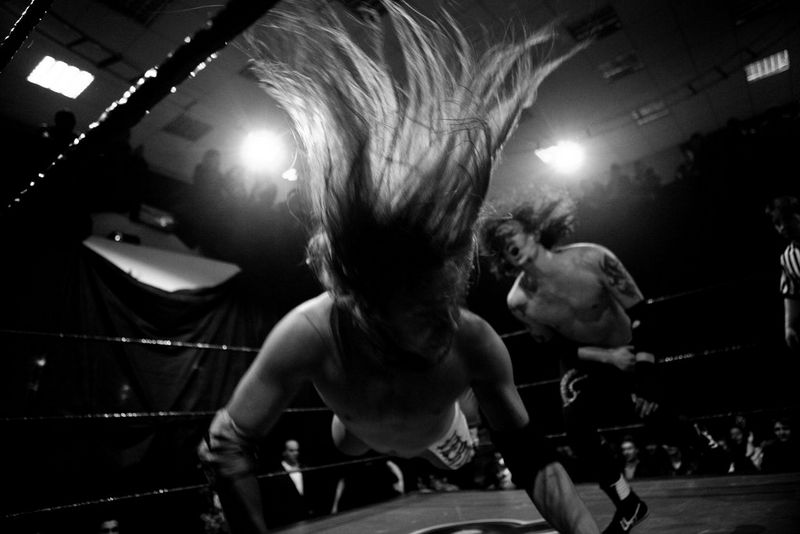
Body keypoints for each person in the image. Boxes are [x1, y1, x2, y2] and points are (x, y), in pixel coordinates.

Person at [198, 2, 598, 534]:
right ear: (354, 287)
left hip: (438, 435)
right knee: (349, 437)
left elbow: (527, 451)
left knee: (453, 447)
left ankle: (455, 421)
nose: (402, 319)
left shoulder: (470, 341)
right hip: (356, 430)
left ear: (439, 281)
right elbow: (227, 442)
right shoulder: (309, 332)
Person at [480, 192, 665, 533]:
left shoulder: (593, 258)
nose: (509, 244)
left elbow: (642, 311)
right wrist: (606, 357)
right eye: (501, 244)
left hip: (628, 345)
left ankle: (718, 453)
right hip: (586, 356)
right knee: (576, 424)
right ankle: (628, 503)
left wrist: (644, 368)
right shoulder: (519, 301)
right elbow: (558, 348)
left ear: (533, 232)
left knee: (659, 415)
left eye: (512, 235)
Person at [765, 195, 800, 354]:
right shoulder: (787, 257)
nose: (782, 228)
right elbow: (791, 293)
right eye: (777, 224)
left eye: (785, 219)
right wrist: (789, 327)